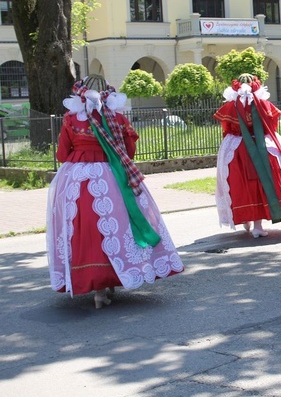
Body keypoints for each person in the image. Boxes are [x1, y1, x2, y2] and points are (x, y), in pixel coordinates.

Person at [46, 75, 184, 309]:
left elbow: (61, 155)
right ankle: (114, 277)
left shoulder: (71, 119)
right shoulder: (117, 118)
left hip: (77, 180)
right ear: (108, 93)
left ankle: (96, 287)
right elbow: (129, 151)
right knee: (119, 226)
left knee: (82, 228)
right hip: (114, 175)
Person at [214, 73, 281, 237]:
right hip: (264, 147)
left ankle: (246, 219)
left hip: (238, 150)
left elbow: (226, 127)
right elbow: (273, 124)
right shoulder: (263, 104)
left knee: (241, 184)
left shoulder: (230, 106)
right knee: (264, 182)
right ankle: (258, 225)